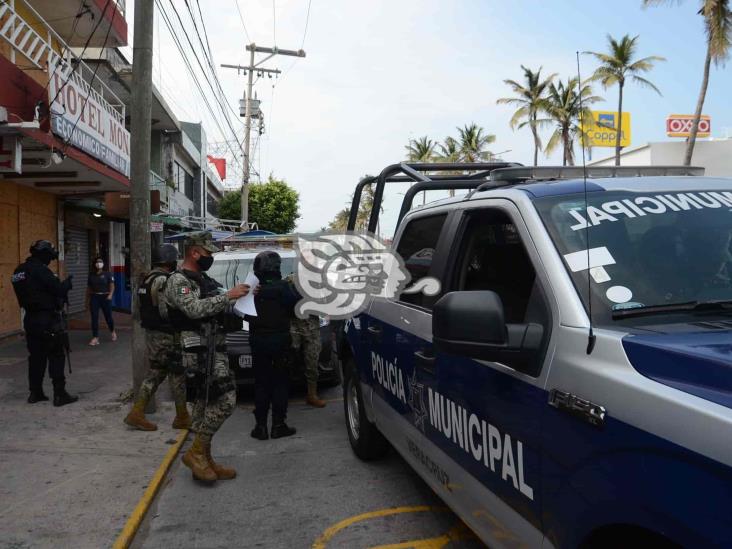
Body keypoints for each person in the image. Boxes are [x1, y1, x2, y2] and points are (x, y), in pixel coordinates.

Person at [164, 231, 251, 483]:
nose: (210, 257)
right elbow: (193, 309)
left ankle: (205, 459)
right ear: (194, 252)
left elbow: (215, 304)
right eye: (208, 253)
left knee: (204, 407)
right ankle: (196, 452)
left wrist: (241, 297)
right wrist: (228, 296)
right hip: (196, 351)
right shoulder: (178, 281)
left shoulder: (201, 279)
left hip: (213, 347)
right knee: (225, 401)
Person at [124, 244, 190, 432]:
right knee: (177, 374)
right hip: (166, 335)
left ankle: (137, 412)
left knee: (156, 373)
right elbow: (165, 310)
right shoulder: (163, 281)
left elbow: (138, 310)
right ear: (169, 260)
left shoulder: (146, 280)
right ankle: (182, 417)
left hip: (152, 335)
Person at [11, 240, 78, 406]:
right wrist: (67, 284)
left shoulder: (19, 271)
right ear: (43, 254)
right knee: (56, 354)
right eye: (49, 257)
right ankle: (60, 394)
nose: (50, 260)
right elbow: (58, 290)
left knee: (36, 357)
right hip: (47, 319)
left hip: (30, 320)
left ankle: (35, 393)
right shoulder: (40, 270)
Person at [248, 251, 300, 441]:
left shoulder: (252, 289)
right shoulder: (285, 288)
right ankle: (278, 425)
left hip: (258, 341)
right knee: (280, 383)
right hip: (280, 341)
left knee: (261, 383)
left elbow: (242, 313)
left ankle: (260, 427)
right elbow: (296, 309)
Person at [286, 278, 326, 408]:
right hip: (293, 326)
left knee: (312, 361)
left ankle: (312, 394)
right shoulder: (290, 280)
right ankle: (283, 393)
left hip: (312, 327)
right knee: (288, 360)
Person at [86, 256, 116, 346]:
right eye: (97, 262)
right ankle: (95, 338)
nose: (99, 263)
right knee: (94, 318)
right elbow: (88, 289)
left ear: (103, 264)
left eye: (101, 261)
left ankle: (113, 331)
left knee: (108, 317)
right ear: (94, 264)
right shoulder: (91, 275)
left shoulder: (108, 274)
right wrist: (86, 301)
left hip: (105, 297)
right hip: (95, 297)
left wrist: (110, 295)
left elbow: (112, 285)